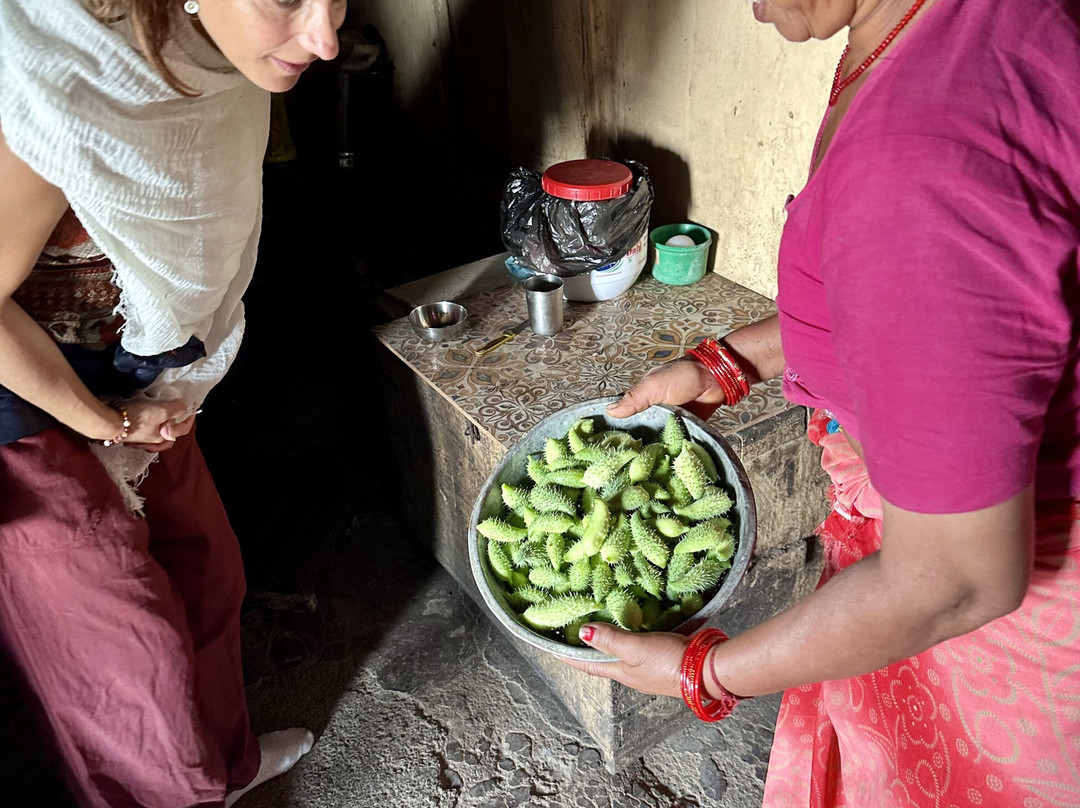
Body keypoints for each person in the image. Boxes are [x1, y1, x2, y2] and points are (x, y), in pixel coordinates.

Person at [562, 0, 1080, 805]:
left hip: (1005, 639)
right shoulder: (964, 25)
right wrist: (728, 363)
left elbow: (952, 581)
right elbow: (925, 311)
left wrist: (703, 669)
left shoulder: (919, 163)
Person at [0, 0, 346, 805]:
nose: (324, 40)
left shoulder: (205, 57)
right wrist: (107, 424)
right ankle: (167, 792)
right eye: (285, 1)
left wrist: (136, 403)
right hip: (27, 404)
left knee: (205, 573)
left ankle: (223, 766)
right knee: (124, 656)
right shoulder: (66, 90)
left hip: (136, 375)